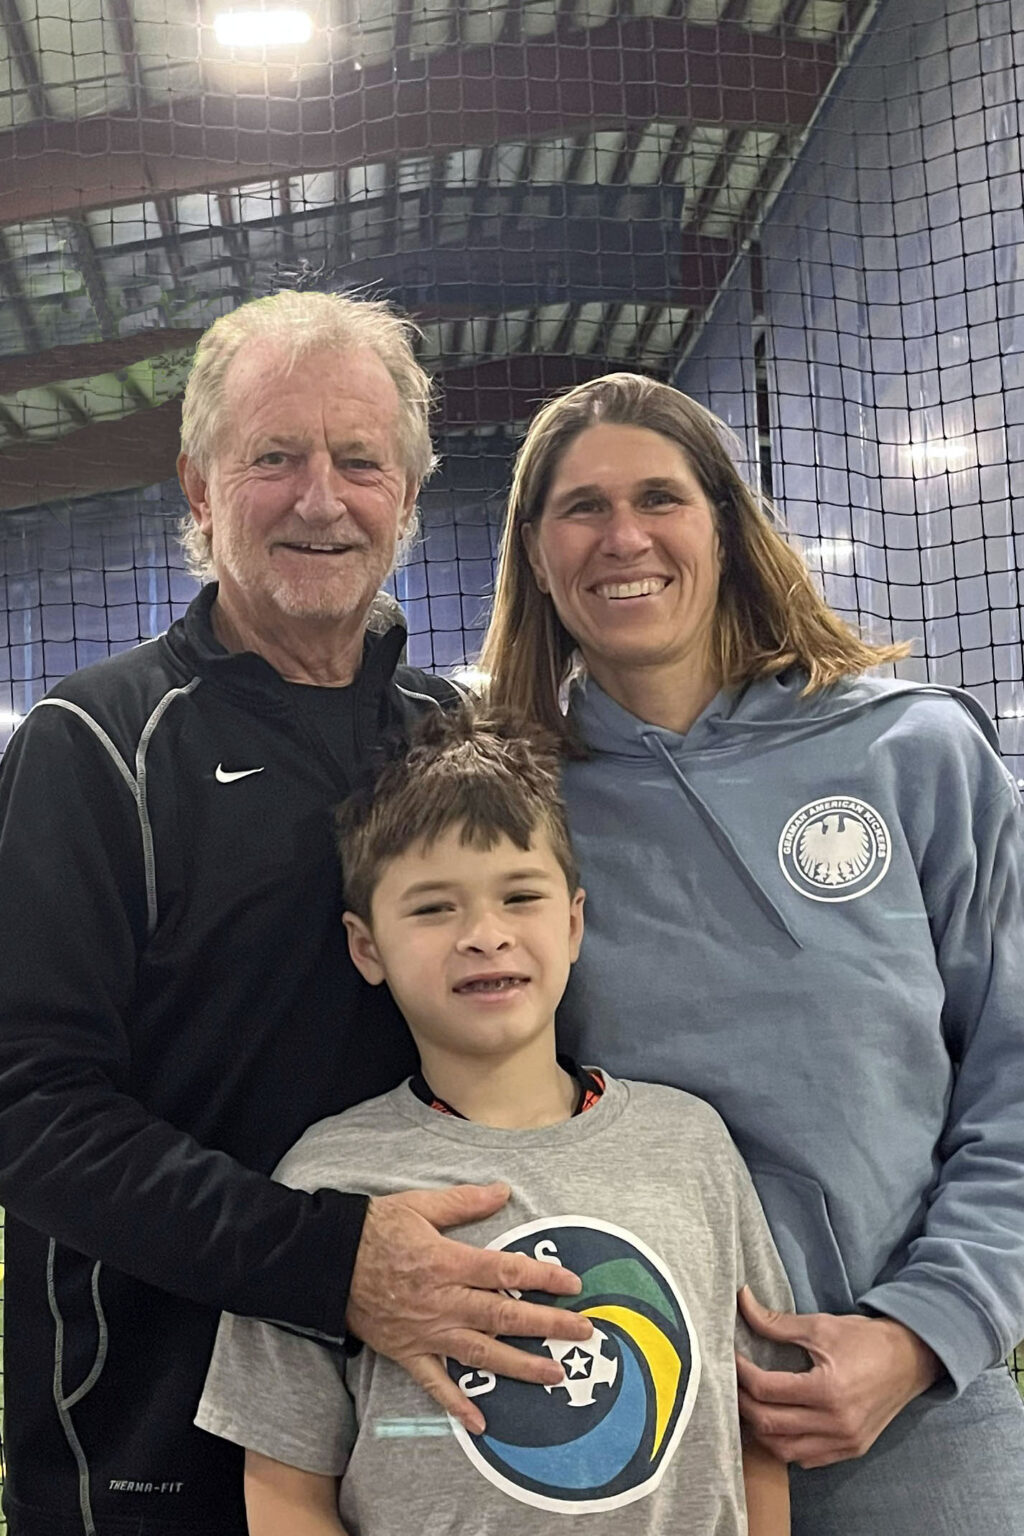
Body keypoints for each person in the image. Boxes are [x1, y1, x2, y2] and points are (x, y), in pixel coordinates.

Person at [0, 291, 587, 1536]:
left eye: (359, 462)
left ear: (406, 496)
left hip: (435, 1437)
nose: (321, 500)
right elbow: (29, 1106)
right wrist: (332, 1262)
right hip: (159, 1450)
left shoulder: (452, 736)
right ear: (199, 488)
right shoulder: (95, 746)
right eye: (274, 457)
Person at [478, 371, 1024, 1536]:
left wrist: (921, 1333)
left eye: (658, 498)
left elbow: (1014, 1074)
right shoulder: (511, 810)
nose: (623, 538)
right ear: (535, 552)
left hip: (916, 1412)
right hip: (637, 1414)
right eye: (581, 508)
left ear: (723, 526)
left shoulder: (913, 751)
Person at [196, 706, 799, 1535]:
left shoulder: (690, 1143)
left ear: (574, 922)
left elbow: (756, 1434)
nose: (485, 935)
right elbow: (285, 1486)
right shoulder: (328, 1180)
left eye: (520, 896)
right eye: (432, 909)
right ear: (366, 947)